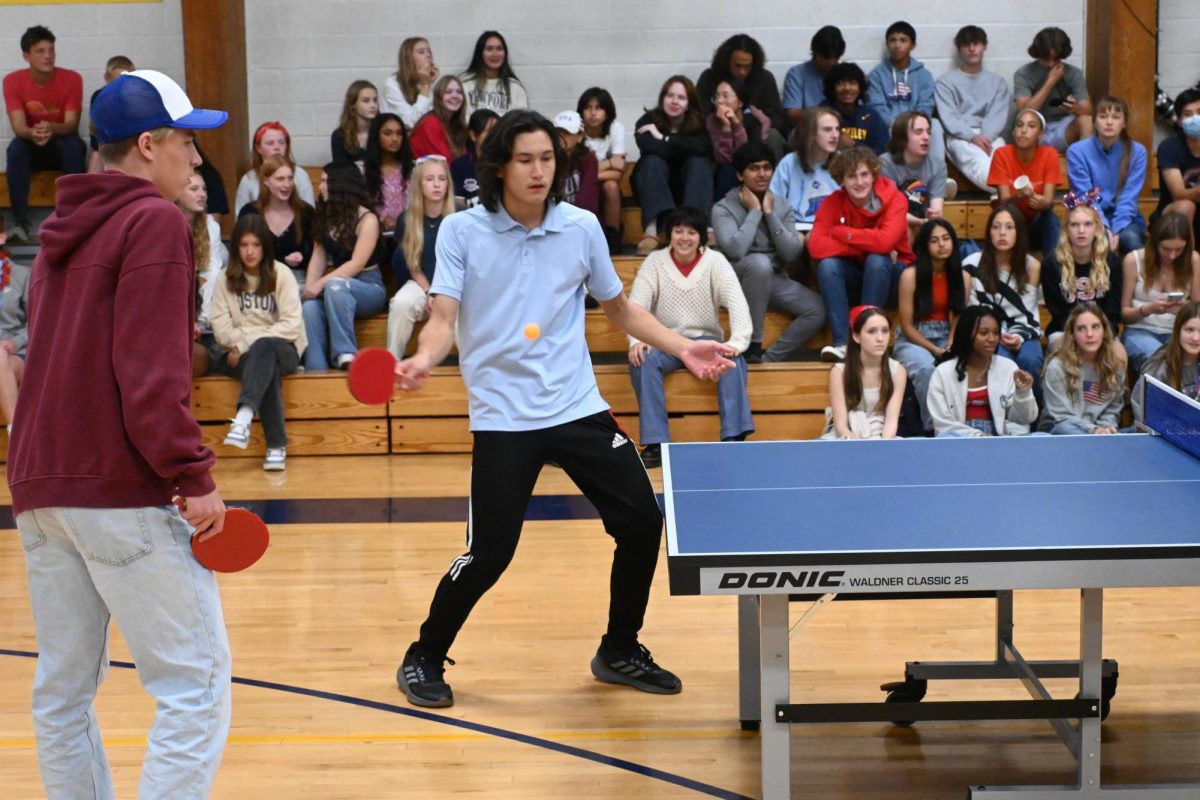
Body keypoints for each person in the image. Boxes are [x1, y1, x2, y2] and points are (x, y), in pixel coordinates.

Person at [392, 109, 736, 709]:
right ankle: (424, 653)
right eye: (524, 160)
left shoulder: (580, 229)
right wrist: (423, 357)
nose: (537, 171)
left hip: (575, 406)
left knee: (641, 521)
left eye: (547, 159)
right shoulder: (462, 233)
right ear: (500, 166)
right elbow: (443, 316)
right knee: (489, 553)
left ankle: (620, 648)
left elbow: (620, 309)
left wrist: (684, 346)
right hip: (504, 416)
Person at [8, 68, 230, 798]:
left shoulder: (56, 235)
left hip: (41, 490)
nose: (197, 160)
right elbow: (149, 378)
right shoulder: (156, 223)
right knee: (194, 686)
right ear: (147, 145)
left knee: (62, 694)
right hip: (119, 490)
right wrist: (193, 475)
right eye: (187, 144)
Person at [629, 205, 753, 465]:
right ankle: (656, 443)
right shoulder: (654, 262)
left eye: (692, 232)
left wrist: (737, 343)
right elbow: (636, 306)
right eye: (678, 231)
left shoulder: (715, 261)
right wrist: (636, 340)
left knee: (733, 359)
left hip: (707, 341)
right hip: (667, 342)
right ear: (669, 235)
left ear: (701, 237)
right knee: (642, 360)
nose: (684, 238)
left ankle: (733, 437)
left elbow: (737, 302)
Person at [712, 141, 825, 362]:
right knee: (758, 263)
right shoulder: (723, 208)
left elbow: (791, 254)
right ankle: (753, 343)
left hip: (772, 280)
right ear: (739, 175)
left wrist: (770, 213)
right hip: (734, 280)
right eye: (754, 168)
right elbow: (735, 251)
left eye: (766, 167)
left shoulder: (781, 205)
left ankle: (769, 359)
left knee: (818, 309)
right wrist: (754, 211)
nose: (762, 174)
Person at [212, 214, 306, 470]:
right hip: (235, 353)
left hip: (282, 347)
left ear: (265, 246)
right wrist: (242, 345)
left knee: (265, 348)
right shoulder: (224, 279)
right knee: (266, 367)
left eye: (256, 245)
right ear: (236, 248)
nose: (250, 252)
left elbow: (291, 325)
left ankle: (243, 417)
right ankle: (276, 446)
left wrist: (245, 342)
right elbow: (220, 329)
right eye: (244, 245)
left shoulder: (281, 274)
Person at [808, 146, 915, 362]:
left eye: (865, 174)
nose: (859, 182)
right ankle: (842, 343)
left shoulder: (895, 199)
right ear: (841, 181)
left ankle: (869, 338)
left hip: (895, 277)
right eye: (852, 176)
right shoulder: (832, 202)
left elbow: (885, 242)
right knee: (828, 266)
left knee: (877, 260)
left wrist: (843, 234)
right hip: (857, 274)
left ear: (874, 176)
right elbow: (816, 247)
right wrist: (867, 243)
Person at [3, 26, 87, 242]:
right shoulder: (12, 81)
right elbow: (19, 127)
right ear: (26, 56)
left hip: (61, 141)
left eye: (51, 50)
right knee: (15, 149)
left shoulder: (72, 79)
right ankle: (20, 223)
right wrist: (35, 133)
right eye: (40, 51)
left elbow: (71, 124)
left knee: (73, 146)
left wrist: (51, 128)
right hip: (32, 143)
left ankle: (74, 220)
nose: (48, 56)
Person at [302, 162, 387, 370]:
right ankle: (316, 370)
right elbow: (318, 256)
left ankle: (346, 354)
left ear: (339, 185)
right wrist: (311, 287)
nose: (320, 187)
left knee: (335, 286)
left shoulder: (367, 219)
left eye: (324, 182)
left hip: (368, 287)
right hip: (337, 288)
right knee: (310, 307)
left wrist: (321, 283)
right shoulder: (326, 215)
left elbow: (357, 263)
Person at [893, 219, 972, 431]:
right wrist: (935, 350)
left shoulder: (963, 277)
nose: (942, 244)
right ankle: (935, 429)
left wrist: (951, 343)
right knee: (927, 369)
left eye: (946, 239)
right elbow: (907, 327)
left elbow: (958, 317)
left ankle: (965, 426)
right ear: (925, 246)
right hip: (915, 338)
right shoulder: (910, 276)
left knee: (962, 367)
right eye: (935, 240)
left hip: (947, 334)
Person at [963, 204, 1045, 387]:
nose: (1002, 233)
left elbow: (1028, 313)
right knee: (999, 358)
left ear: (1019, 232)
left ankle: (1034, 414)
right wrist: (998, 335)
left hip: (1024, 333)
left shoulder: (1031, 267)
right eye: (996, 227)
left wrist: (1019, 337)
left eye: (1009, 227)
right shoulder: (971, 265)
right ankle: (999, 414)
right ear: (988, 232)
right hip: (987, 333)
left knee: (1029, 361)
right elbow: (975, 313)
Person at [631, 75, 712, 255]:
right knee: (652, 160)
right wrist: (681, 146)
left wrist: (663, 139)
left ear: (689, 103)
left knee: (698, 162)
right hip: (656, 183)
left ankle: (698, 227)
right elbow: (647, 146)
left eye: (681, 97)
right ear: (662, 98)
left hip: (688, 185)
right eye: (670, 96)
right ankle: (651, 231)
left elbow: (703, 148)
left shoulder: (699, 123)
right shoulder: (647, 121)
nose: (674, 101)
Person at [928, 304, 1038, 436]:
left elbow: (1024, 419)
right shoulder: (943, 372)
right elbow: (942, 423)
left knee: (1043, 437)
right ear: (967, 334)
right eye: (984, 333)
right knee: (946, 436)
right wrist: (977, 436)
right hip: (959, 440)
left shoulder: (1009, 367)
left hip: (997, 439)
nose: (992, 339)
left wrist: (1023, 393)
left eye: (996, 333)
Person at [387, 155, 456, 359]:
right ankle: (391, 361)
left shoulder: (462, 216)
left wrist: (443, 293)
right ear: (419, 184)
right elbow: (412, 263)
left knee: (463, 315)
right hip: (422, 284)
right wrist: (429, 291)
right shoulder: (407, 219)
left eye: (442, 179)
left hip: (454, 286)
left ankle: (477, 371)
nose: (437, 185)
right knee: (401, 303)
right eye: (430, 179)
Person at [1066, 96, 1147, 255]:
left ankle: (1136, 280)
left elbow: (1129, 197)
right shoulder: (1076, 151)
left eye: (1116, 117)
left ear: (1124, 123)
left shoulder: (1137, 152)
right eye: (1103, 117)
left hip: (1126, 217)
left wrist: (1117, 229)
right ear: (1094, 122)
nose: (1109, 122)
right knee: (1100, 239)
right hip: (1090, 215)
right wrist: (1104, 226)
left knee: (1130, 239)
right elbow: (1085, 196)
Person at [1120, 211, 1200, 371]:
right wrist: (1148, 309)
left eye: (1179, 250)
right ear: (1155, 243)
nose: (1172, 255)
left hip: (1177, 332)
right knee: (1158, 359)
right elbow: (1123, 314)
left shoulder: (1193, 259)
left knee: (1183, 355)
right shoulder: (1134, 260)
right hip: (1140, 330)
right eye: (1166, 249)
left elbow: (1197, 310)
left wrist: (1184, 309)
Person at [935, 25, 1012, 192]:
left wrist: (985, 137)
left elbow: (996, 116)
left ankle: (1004, 195)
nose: (972, 49)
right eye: (966, 45)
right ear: (959, 48)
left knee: (1003, 156)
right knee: (977, 160)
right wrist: (971, 137)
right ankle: (1002, 193)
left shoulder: (998, 83)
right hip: (960, 137)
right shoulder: (945, 83)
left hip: (990, 136)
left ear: (985, 46)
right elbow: (950, 117)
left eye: (976, 44)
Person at [1041, 199, 1123, 342]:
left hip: (1102, 331)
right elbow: (1058, 312)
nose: (1081, 230)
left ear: (1097, 228)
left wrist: (1097, 333)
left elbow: (1112, 312)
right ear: (1066, 229)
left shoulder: (1112, 263)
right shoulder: (1051, 263)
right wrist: (1080, 333)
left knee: (1119, 356)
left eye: (1088, 224)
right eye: (1074, 225)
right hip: (1065, 331)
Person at [866, 21, 945, 169]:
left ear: (912, 45)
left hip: (917, 122)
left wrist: (913, 124)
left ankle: (938, 173)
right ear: (887, 43)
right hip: (889, 124)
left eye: (903, 40)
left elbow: (926, 105)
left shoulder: (923, 75)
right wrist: (899, 124)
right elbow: (877, 107)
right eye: (893, 40)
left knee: (936, 125)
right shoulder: (876, 75)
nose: (897, 45)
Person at [822, 305, 906, 439]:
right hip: (846, 439)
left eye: (885, 331)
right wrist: (859, 450)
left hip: (882, 438)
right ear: (856, 336)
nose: (880, 338)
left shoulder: (898, 371)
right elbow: (841, 426)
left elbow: (891, 423)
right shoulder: (839, 372)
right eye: (872, 331)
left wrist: (880, 450)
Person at [1040, 304, 1126, 435]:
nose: (1090, 334)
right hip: (1061, 432)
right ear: (1073, 334)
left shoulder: (1115, 366)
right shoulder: (1057, 367)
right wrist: (1093, 430)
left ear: (1104, 331)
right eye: (1081, 329)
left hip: (1098, 433)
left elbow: (1112, 409)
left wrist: (1105, 429)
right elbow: (1061, 416)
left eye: (1095, 327)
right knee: (1064, 428)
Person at [988, 108, 1063, 256]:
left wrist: (1043, 203)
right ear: (1014, 131)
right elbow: (1004, 202)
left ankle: (1053, 273)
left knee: (1050, 217)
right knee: (1006, 217)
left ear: (1041, 134)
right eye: (1020, 125)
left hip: (1036, 225)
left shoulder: (1049, 154)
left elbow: (1048, 201)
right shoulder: (1001, 154)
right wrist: (1018, 197)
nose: (1024, 130)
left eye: (1031, 126)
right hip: (1010, 223)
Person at [238, 155, 315, 293]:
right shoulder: (249, 213)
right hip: (258, 280)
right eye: (280, 179)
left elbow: (317, 254)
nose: (287, 184)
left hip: (297, 282)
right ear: (266, 181)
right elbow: (240, 252)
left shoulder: (306, 213)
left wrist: (302, 257)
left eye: (290, 178)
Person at [179, 173, 228, 377]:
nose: (202, 194)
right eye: (194, 189)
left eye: (204, 189)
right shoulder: (164, 221)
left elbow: (211, 276)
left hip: (201, 318)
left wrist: (202, 321)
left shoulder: (210, 225)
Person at [1013, 26, 1093, 153]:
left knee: (1087, 121)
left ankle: (1085, 168)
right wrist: (1050, 82)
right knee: (1026, 124)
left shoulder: (1074, 73)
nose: (1051, 64)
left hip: (1065, 125)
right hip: (1036, 128)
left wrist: (1075, 108)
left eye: (1056, 59)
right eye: (1046, 59)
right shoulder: (1024, 74)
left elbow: (1088, 111)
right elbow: (1024, 111)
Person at [880, 111, 952, 245]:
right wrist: (917, 222)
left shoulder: (938, 165)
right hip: (891, 221)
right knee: (905, 229)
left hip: (923, 223)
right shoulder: (886, 163)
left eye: (928, 132)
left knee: (940, 233)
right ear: (902, 138)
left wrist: (933, 215)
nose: (926, 137)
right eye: (918, 132)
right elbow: (890, 209)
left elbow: (937, 209)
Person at [768, 105, 839, 235]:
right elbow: (774, 205)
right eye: (827, 130)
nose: (835, 135)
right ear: (811, 134)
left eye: (837, 129)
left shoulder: (843, 162)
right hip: (796, 231)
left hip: (833, 229)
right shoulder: (789, 163)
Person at [696, 33, 786, 135]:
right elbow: (699, 114)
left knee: (773, 135)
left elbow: (777, 119)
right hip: (716, 132)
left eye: (747, 66)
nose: (742, 71)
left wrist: (746, 124)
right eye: (737, 65)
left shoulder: (764, 78)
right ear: (727, 61)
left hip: (756, 133)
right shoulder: (709, 77)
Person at [1131, 302, 1200, 423]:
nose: (1195, 338)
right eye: (1189, 330)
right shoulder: (1158, 367)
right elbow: (1141, 409)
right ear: (1178, 331)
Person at [578, 87, 626, 249]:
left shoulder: (615, 128)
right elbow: (576, 173)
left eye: (598, 108)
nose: (593, 113)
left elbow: (618, 172)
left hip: (601, 182)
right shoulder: (575, 132)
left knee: (611, 186)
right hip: (578, 183)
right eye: (588, 108)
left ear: (607, 112)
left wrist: (591, 173)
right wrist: (609, 163)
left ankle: (613, 238)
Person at [708, 78, 771, 199]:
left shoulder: (751, 121)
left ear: (740, 102)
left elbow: (746, 156)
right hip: (722, 166)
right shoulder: (712, 120)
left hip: (748, 166)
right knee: (727, 169)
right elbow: (724, 158)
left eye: (725, 96)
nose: (719, 101)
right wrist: (726, 127)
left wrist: (736, 125)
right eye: (716, 97)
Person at [234, 121, 316, 211]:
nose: (277, 147)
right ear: (258, 148)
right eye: (270, 143)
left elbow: (309, 211)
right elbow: (241, 217)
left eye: (281, 142)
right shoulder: (248, 179)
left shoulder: (300, 175)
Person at [1152, 88, 1200, 242]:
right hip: (1173, 211)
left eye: (1199, 112)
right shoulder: (1170, 147)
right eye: (1188, 114)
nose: (1195, 118)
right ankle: (1189, 262)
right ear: (1179, 121)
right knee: (1185, 206)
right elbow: (1178, 194)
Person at [363, 112, 415, 237]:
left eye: (399, 133)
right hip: (374, 236)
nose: (394, 139)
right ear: (376, 136)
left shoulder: (414, 169)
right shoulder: (362, 170)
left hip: (409, 235)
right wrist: (380, 219)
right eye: (387, 133)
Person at [782, 25, 845, 125]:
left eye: (836, 57)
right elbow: (792, 114)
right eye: (826, 57)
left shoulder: (846, 74)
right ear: (815, 53)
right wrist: (827, 115)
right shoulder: (797, 74)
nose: (832, 62)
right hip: (809, 128)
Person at [459, 31, 528, 116]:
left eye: (499, 49)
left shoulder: (515, 88)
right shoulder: (464, 83)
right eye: (489, 49)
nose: (495, 54)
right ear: (480, 53)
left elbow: (520, 121)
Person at [87, 55, 134, 173]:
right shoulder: (99, 96)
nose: (121, 87)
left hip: (129, 142)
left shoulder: (136, 98)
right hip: (104, 142)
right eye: (116, 82)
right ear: (107, 78)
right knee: (97, 154)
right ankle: (91, 189)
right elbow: (95, 132)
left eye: (126, 82)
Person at [382, 36, 439, 129]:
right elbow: (411, 121)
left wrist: (430, 84)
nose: (428, 55)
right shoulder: (392, 83)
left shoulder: (429, 81)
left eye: (429, 51)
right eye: (421, 52)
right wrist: (425, 86)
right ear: (409, 59)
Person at [0, 253, 28, 434]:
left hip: (16, 353)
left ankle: (14, 432)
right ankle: (17, 434)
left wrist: (16, 342)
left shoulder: (21, 274)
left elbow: (39, 321)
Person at [410, 75, 468, 161]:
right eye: (448, 92)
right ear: (439, 97)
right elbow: (443, 162)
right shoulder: (431, 123)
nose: (455, 95)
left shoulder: (456, 124)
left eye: (459, 92)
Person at [554, 110, 600, 217]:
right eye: (558, 132)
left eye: (566, 133)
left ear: (580, 136)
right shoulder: (548, 159)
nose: (561, 137)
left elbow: (587, 199)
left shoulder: (588, 160)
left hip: (582, 219)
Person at [450, 108, 498, 210]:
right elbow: (458, 206)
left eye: (497, 131)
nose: (494, 136)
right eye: (489, 132)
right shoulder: (459, 166)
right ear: (473, 135)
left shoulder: (506, 163)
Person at [330, 79, 378, 163]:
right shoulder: (339, 136)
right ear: (353, 105)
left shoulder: (383, 132)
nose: (373, 105)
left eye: (375, 100)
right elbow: (341, 171)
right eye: (366, 101)